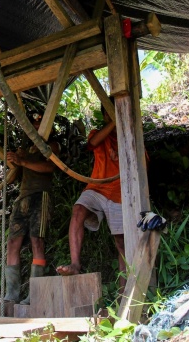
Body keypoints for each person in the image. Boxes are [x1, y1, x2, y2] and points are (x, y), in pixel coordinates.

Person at [56, 99, 127, 289]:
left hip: (120, 193)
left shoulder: (129, 135)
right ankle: (75, 264)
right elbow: (93, 142)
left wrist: (121, 123)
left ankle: (124, 292)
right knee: (78, 210)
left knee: (121, 243)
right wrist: (115, 120)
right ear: (104, 116)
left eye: (115, 113)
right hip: (96, 188)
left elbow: (143, 165)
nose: (111, 117)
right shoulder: (98, 133)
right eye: (108, 113)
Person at [4, 113, 60, 305]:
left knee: (37, 241)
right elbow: (11, 178)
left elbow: (50, 168)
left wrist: (24, 161)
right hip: (23, 198)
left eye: (41, 122)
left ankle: (35, 294)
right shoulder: (26, 149)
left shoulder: (52, 146)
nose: (37, 125)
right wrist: (14, 160)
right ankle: (11, 295)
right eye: (34, 122)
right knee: (12, 243)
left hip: (40, 196)